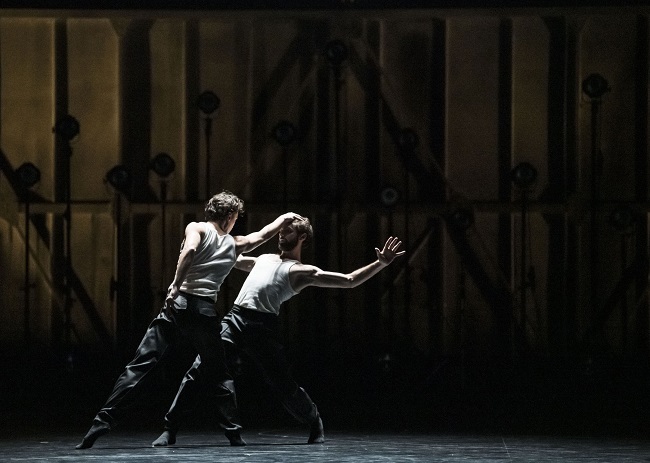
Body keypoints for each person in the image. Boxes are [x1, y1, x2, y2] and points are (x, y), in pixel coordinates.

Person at [151, 216, 405, 447]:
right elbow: (231, 258)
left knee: (282, 384)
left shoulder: (303, 272)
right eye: (281, 232)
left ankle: (313, 420)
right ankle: (169, 428)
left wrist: (380, 264)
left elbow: (349, 280)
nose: (281, 236)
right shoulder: (264, 259)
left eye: (288, 232)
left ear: (302, 238)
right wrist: (195, 248)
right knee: (199, 368)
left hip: (263, 327)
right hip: (236, 319)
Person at [75, 190, 300, 449]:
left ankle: (100, 424)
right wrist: (283, 219)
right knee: (218, 374)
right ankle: (234, 434)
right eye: (235, 218)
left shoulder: (197, 228)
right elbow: (259, 236)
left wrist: (175, 286)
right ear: (228, 217)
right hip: (203, 313)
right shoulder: (231, 243)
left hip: (178, 307)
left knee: (140, 365)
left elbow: (191, 249)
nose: (235, 223)